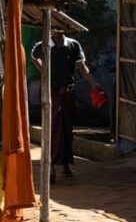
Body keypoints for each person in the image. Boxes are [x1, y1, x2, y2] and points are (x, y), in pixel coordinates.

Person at [31, 26, 98, 183]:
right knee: (53, 129)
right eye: (54, 31)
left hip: (68, 92)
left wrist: (93, 83)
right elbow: (33, 57)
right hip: (52, 93)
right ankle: (51, 166)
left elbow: (82, 67)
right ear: (50, 31)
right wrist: (44, 71)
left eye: (60, 32)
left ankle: (66, 164)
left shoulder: (73, 45)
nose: (57, 34)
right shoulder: (43, 46)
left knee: (67, 129)